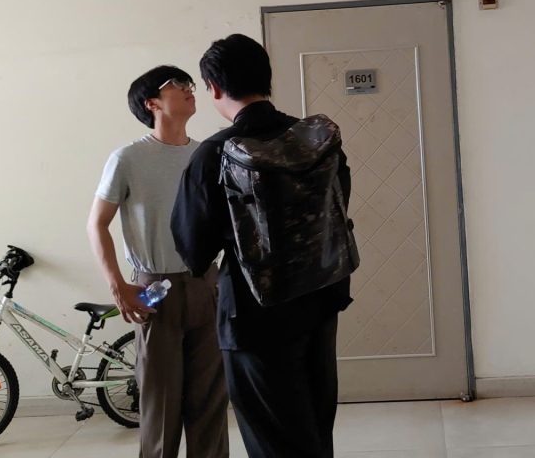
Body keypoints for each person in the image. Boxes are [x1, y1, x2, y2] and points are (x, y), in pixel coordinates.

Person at [171, 34, 353, 458]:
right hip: (321, 298)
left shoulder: (214, 154)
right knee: (314, 428)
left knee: (273, 439)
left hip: (254, 316)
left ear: (214, 87)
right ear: (266, 78)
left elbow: (192, 249)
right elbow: (340, 201)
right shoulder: (314, 140)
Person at [87, 65, 229, 458]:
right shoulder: (128, 158)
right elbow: (96, 224)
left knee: (211, 404)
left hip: (207, 284)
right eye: (177, 85)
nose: (189, 89)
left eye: (190, 83)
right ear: (151, 103)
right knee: (160, 404)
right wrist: (118, 285)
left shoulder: (207, 155)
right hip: (154, 289)